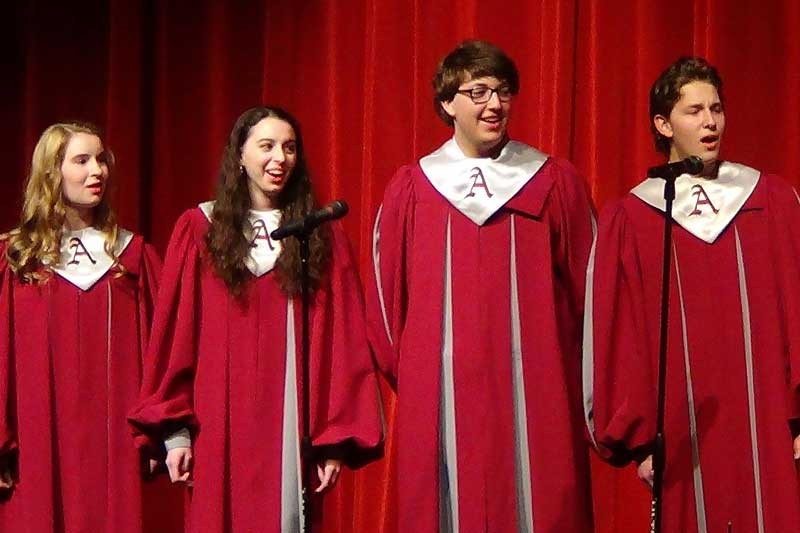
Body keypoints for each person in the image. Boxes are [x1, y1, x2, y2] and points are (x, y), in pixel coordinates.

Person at [365, 40, 595, 532]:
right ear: (447, 103)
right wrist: (424, 374)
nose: (494, 104)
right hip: (441, 392)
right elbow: (387, 308)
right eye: (478, 92)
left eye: (503, 92)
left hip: (538, 391)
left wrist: (566, 372)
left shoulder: (552, 182)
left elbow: (589, 295)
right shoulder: (413, 188)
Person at [128, 106, 383, 533]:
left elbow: (343, 342)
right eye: (266, 146)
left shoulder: (319, 234)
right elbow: (177, 335)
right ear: (240, 156)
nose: (279, 158)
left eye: (288, 147)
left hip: (291, 424)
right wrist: (176, 434)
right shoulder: (199, 230)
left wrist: (333, 440)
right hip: (217, 423)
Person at [584, 56, 800, 532]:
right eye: (694, 110)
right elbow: (618, 336)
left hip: (766, 424)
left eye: (716, 108)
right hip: (682, 434)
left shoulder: (773, 201)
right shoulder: (633, 217)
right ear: (663, 124)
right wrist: (637, 442)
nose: (710, 121)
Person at [0, 122, 164, 532]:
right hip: (36, 441)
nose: (98, 171)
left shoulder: (132, 258)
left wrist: (162, 429)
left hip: (115, 441)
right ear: (52, 173)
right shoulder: (16, 259)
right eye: (82, 160)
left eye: (101, 159)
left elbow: (162, 348)